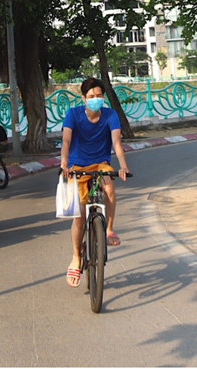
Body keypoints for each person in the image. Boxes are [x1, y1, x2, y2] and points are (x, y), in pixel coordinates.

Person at [60, 76, 129, 287]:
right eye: (91, 96)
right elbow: (66, 140)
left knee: (109, 186)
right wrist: (64, 164)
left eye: (99, 95)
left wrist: (123, 165)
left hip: (101, 163)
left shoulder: (110, 115)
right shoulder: (73, 114)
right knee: (79, 217)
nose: (95, 99)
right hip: (76, 166)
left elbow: (116, 142)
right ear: (83, 98)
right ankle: (75, 256)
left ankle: (109, 229)